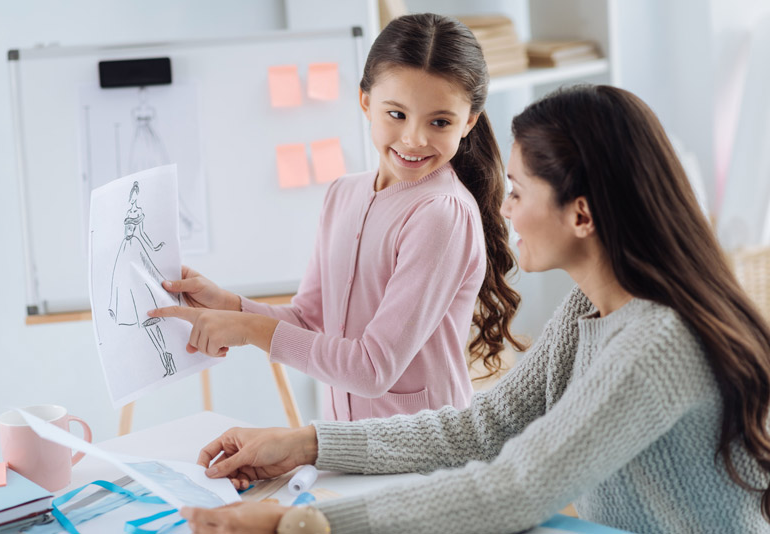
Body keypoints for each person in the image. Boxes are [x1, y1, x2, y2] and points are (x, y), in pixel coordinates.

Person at [175, 84, 770, 534]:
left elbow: (517, 487)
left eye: (517, 191)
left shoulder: (656, 342)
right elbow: (483, 428)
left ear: (581, 215)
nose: (504, 211)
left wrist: (297, 524)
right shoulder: (589, 308)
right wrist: (306, 443)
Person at [149, 13, 524, 420]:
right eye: (396, 114)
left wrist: (249, 331)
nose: (414, 138)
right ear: (365, 102)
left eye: (440, 122)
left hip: (421, 457)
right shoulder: (343, 194)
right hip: (347, 449)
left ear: (468, 122)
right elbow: (309, 321)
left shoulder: (440, 214)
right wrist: (230, 306)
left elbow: (372, 368)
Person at [108, 180, 177, 377]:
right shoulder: (123, 210)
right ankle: (166, 357)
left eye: (135, 196)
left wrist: (155, 248)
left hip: (135, 251)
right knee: (145, 322)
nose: (133, 200)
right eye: (132, 196)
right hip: (125, 254)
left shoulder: (138, 213)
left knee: (149, 320)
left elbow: (143, 233)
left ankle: (166, 356)